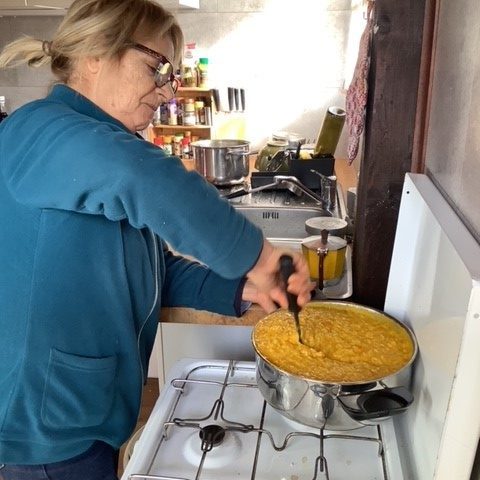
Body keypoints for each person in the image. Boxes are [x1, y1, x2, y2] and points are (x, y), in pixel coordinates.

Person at [0, 0, 314, 478]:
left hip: (84, 415)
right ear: (95, 54)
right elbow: (151, 179)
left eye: (173, 77)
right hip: (44, 434)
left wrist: (242, 287)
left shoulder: (95, 148)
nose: (167, 92)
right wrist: (261, 257)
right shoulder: (40, 129)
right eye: (157, 69)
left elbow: (148, 271)